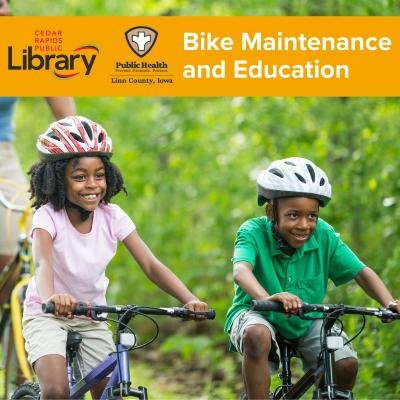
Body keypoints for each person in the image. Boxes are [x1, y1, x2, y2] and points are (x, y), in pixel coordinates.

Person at [22, 116, 209, 399]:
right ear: (57, 179)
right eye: (80, 177)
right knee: (57, 391)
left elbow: (150, 264)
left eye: (99, 175)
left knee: (110, 392)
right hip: (47, 314)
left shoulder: (112, 216)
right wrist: (51, 298)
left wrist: (188, 298)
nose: (92, 185)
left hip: (91, 315)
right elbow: (42, 262)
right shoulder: (47, 216)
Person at [224, 156, 400, 400]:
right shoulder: (252, 231)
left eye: (312, 216)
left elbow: (360, 272)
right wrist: (268, 297)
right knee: (257, 335)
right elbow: (241, 271)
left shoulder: (324, 235)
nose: (304, 225)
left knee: (345, 363)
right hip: (257, 312)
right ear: (270, 211)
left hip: (307, 318)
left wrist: (388, 301)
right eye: (293, 215)